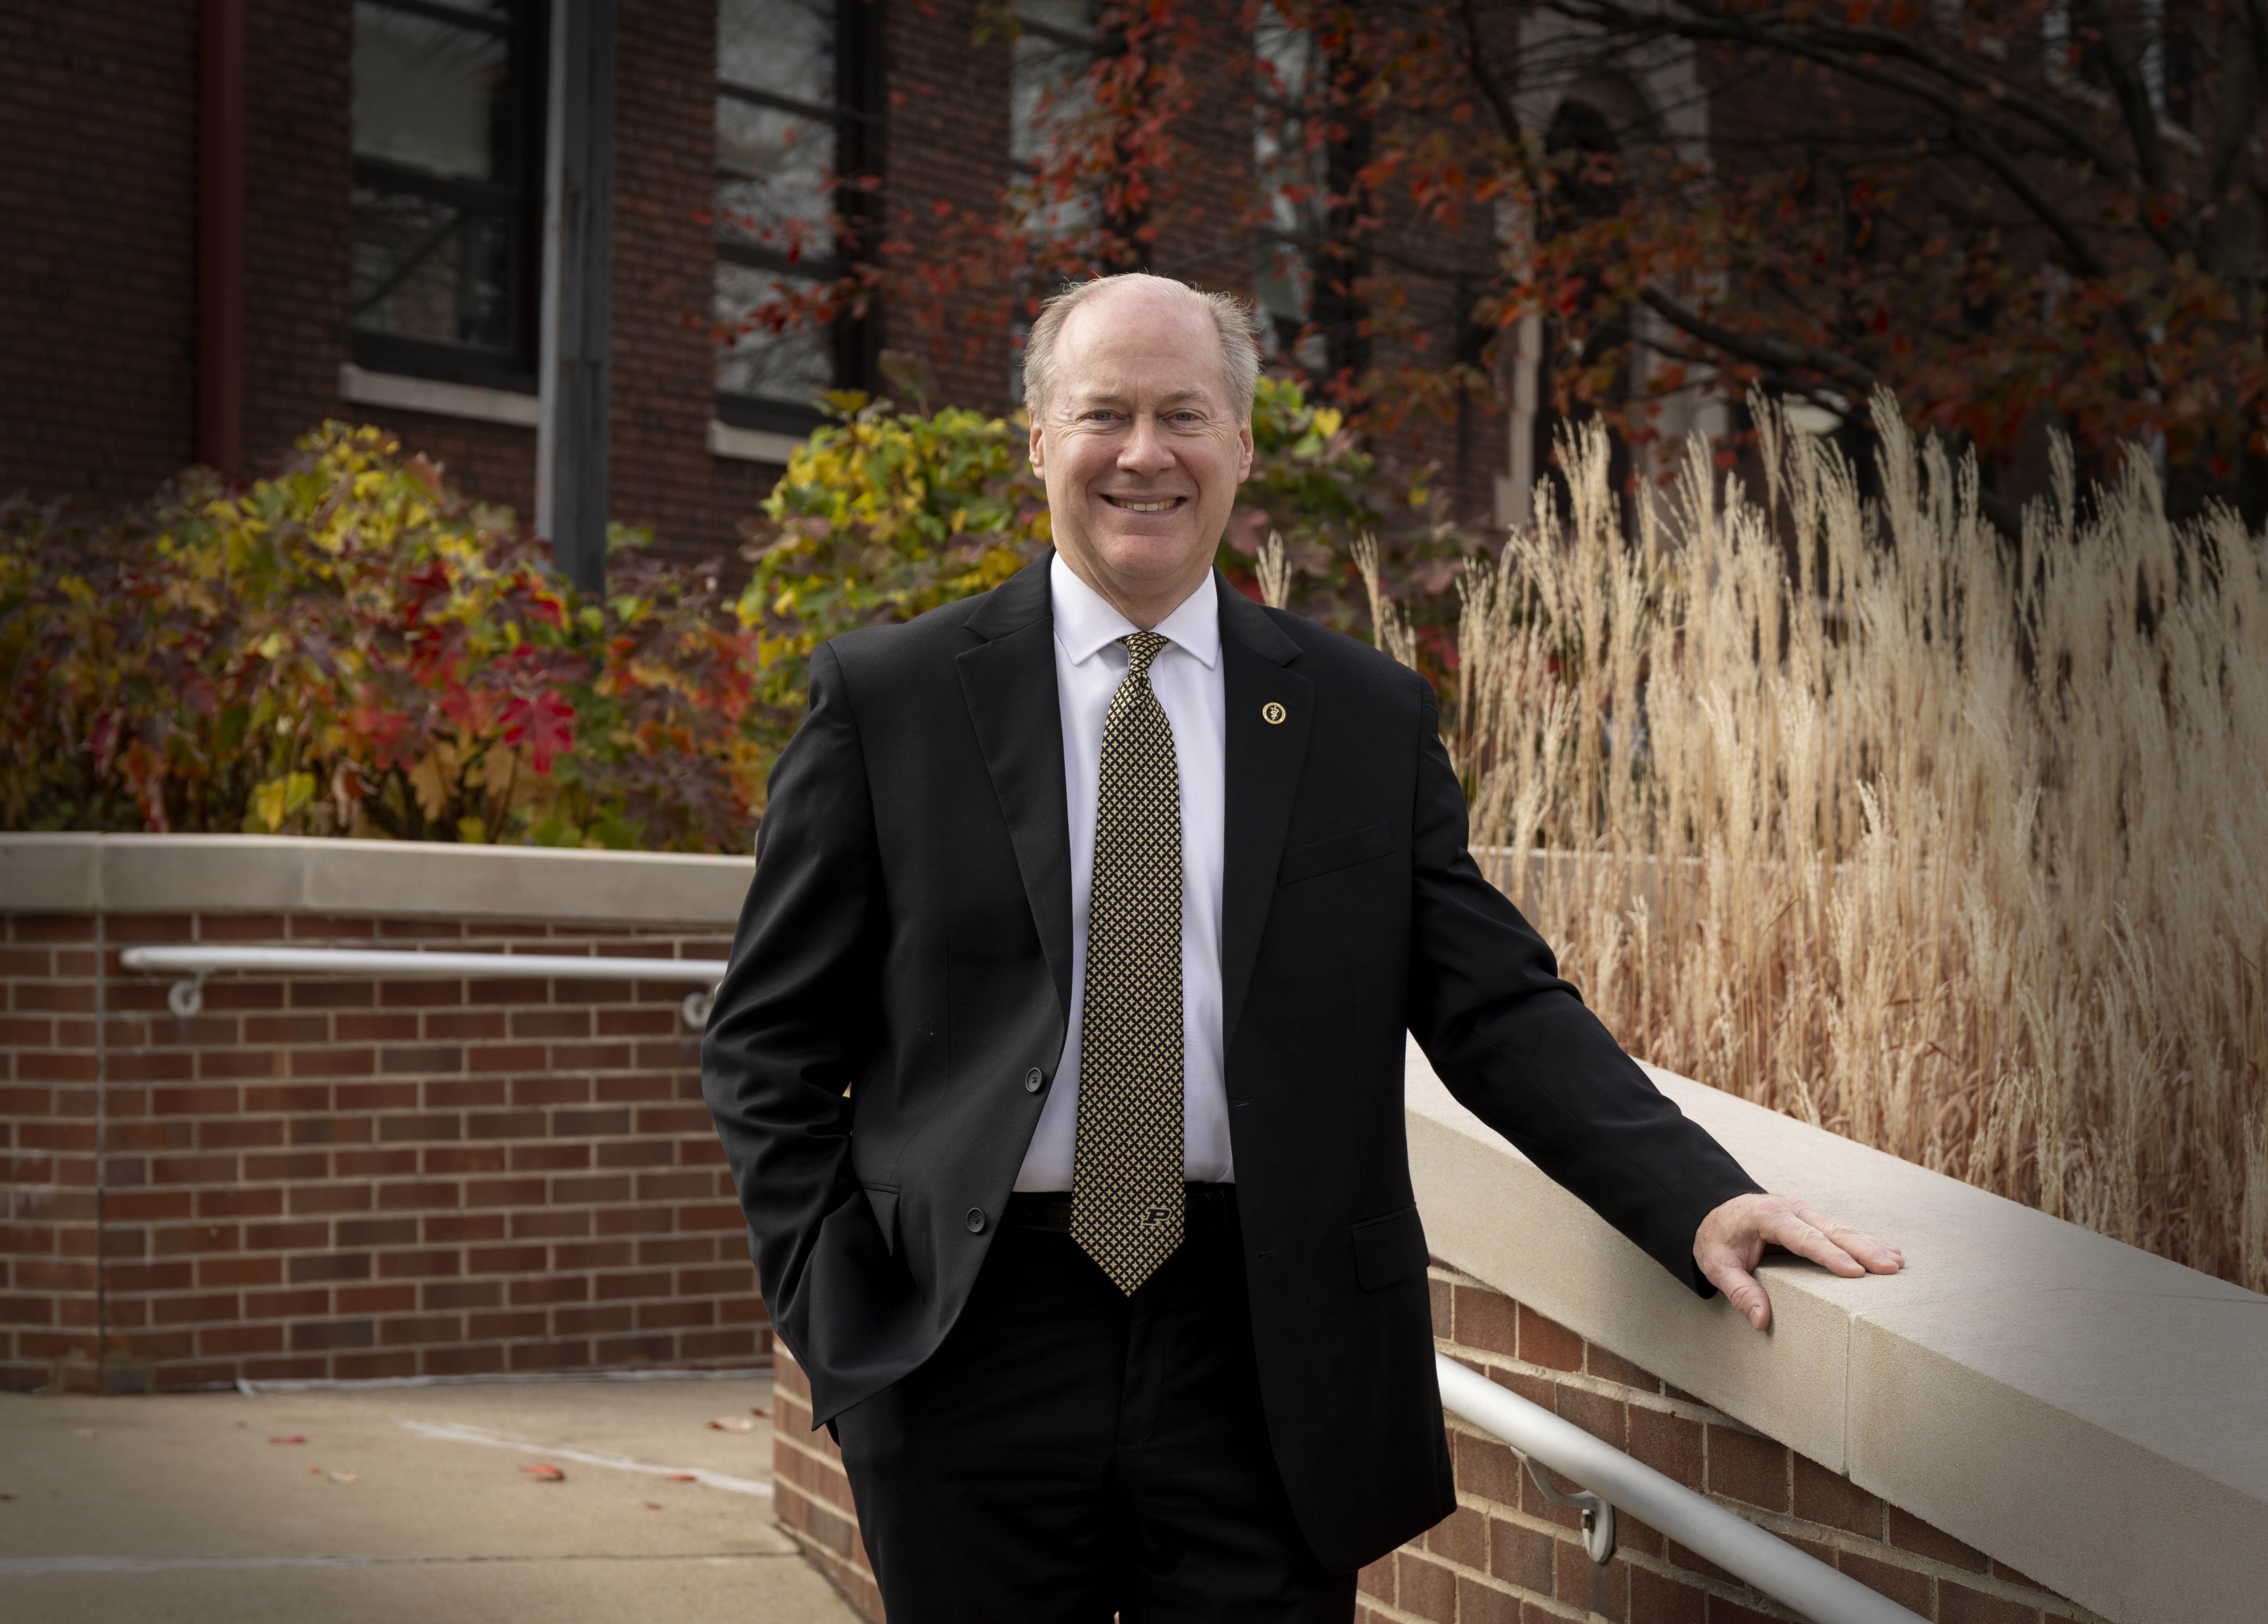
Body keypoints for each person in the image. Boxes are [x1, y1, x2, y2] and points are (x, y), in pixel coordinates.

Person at [701, 272, 1902, 1622]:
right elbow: (766, 1042)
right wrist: (843, 1314)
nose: (1145, 454)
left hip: (1271, 1347)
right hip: (969, 1338)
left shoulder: (1357, 715)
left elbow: (1494, 1005)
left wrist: (1696, 1198)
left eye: (1184, 415)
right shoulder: (892, 698)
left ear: (1242, 446)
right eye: (1103, 414)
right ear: (1037, 440)